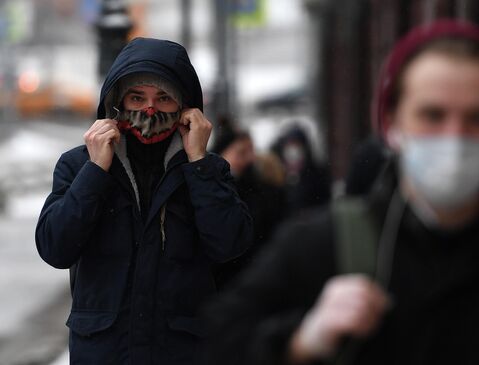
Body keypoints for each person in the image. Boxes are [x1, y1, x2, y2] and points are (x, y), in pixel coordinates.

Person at [202, 21, 479, 365]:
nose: (454, 137)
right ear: (392, 125)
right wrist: (297, 343)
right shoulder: (319, 250)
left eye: (477, 118)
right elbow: (216, 345)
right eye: (432, 115)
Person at [35, 37, 252, 364]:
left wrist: (199, 164)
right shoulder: (79, 165)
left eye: (163, 98)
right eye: (137, 97)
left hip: (180, 353)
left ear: (185, 108)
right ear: (117, 102)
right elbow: (55, 247)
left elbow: (231, 244)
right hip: (104, 353)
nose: (149, 110)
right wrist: (95, 171)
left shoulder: (205, 169)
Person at [212, 117, 287, 288]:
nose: (250, 159)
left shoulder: (264, 191)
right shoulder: (210, 189)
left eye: (251, 151)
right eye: (241, 152)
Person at [271, 125, 331, 216]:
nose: (293, 150)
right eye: (289, 145)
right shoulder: (276, 175)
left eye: (296, 144)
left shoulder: (318, 174)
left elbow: (324, 204)